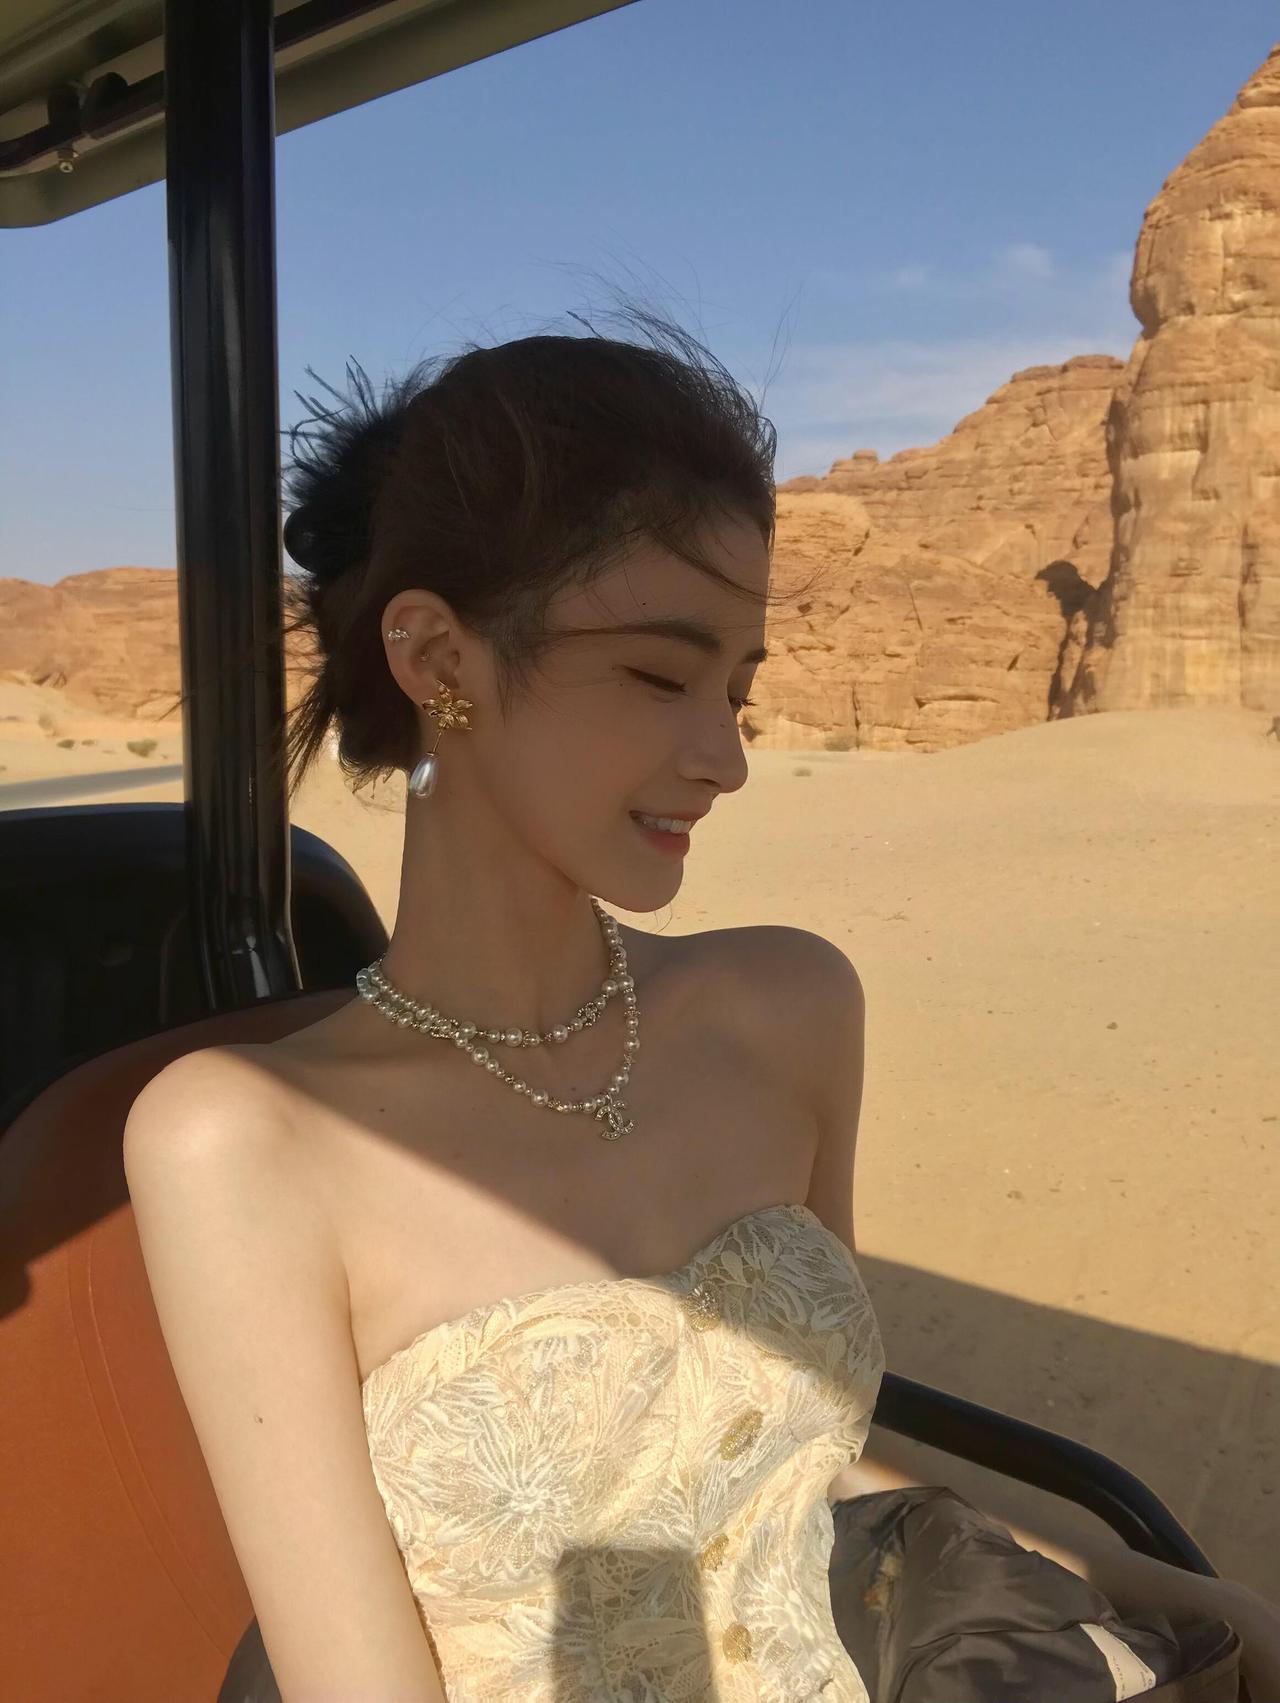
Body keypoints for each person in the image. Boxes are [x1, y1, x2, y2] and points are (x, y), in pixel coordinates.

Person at [123, 305, 1277, 1703]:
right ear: (437, 661)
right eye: (662, 676)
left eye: (738, 688)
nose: (725, 756)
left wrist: (1181, 1593)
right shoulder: (239, 1145)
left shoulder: (790, 1007)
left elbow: (812, 1456)